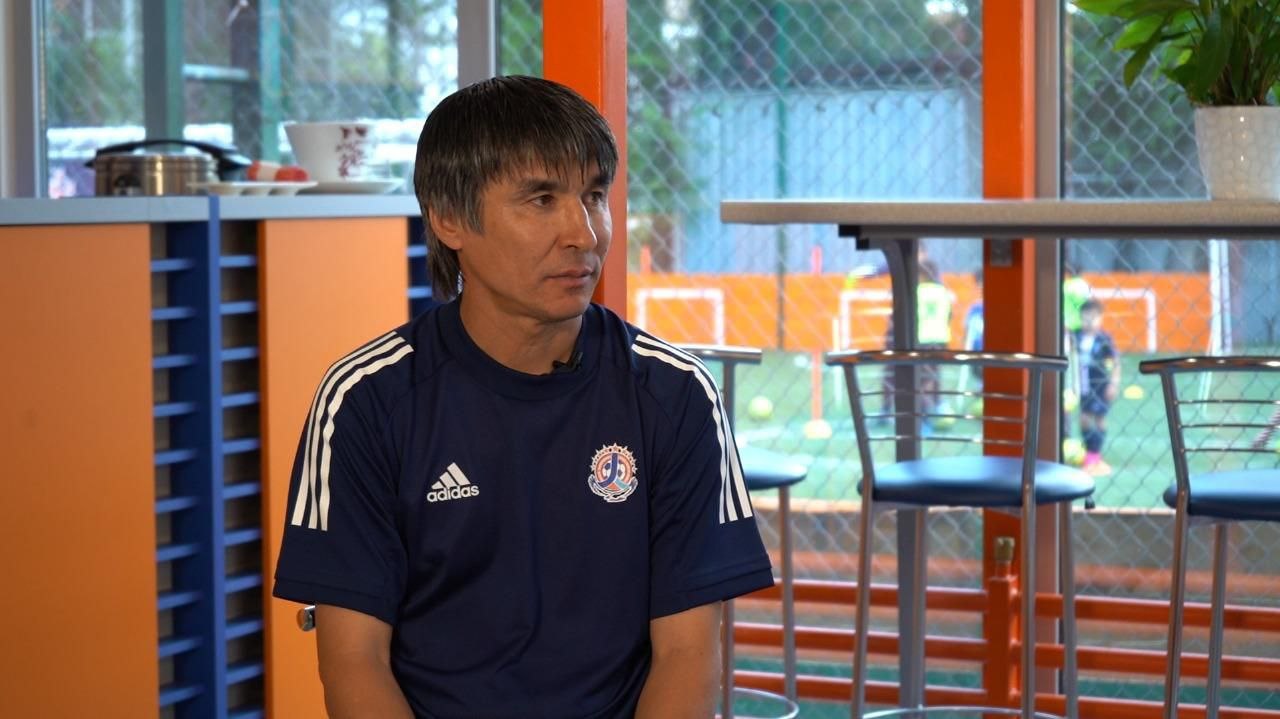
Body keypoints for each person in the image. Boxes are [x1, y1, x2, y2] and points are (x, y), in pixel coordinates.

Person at [272, 76, 774, 719]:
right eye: (541, 199)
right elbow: (353, 660)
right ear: (449, 218)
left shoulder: (675, 394)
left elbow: (687, 655)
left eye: (594, 196)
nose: (583, 233)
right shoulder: (365, 401)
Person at [1075, 299, 1121, 477]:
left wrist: (1113, 383)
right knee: (1084, 418)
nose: (1089, 322)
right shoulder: (1076, 336)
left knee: (1099, 418)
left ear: (1100, 318)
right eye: (1085, 318)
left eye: (1093, 318)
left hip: (1100, 384)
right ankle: (1089, 452)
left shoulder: (1104, 338)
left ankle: (1095, 455)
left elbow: (1115, 362)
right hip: (1082, 384)